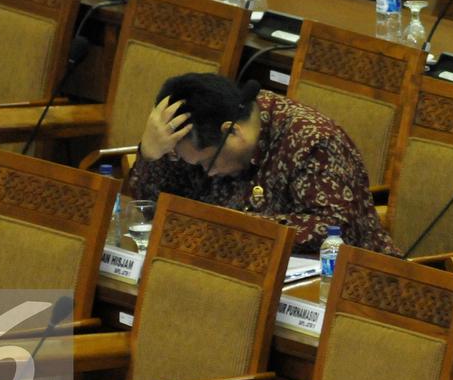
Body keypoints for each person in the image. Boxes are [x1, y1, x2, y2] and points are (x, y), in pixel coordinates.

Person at [128, 73, 398, 256]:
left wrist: (232, 227)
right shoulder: (200, 137)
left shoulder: (313, 141)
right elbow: (152, 208)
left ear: (231, 132)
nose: (207, 173)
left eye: (206, 164)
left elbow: (334, 227)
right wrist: (150, 154)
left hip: (342, 284)